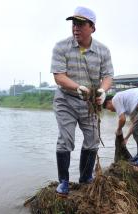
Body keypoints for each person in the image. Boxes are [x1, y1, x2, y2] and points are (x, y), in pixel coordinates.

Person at [51, 6, 114, 195]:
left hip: (90, 104)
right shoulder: (61, 47)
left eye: (80, 24)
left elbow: (108, 76)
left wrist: (103, 90)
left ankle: (85, 177)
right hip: (66, 99)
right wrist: (77, 87)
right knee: (66, 139)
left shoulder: (103, 51)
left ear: (92, 27)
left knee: (93, 140)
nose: (75, 28)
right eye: (73, 24)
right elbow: (59, 77)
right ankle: (63, 181)